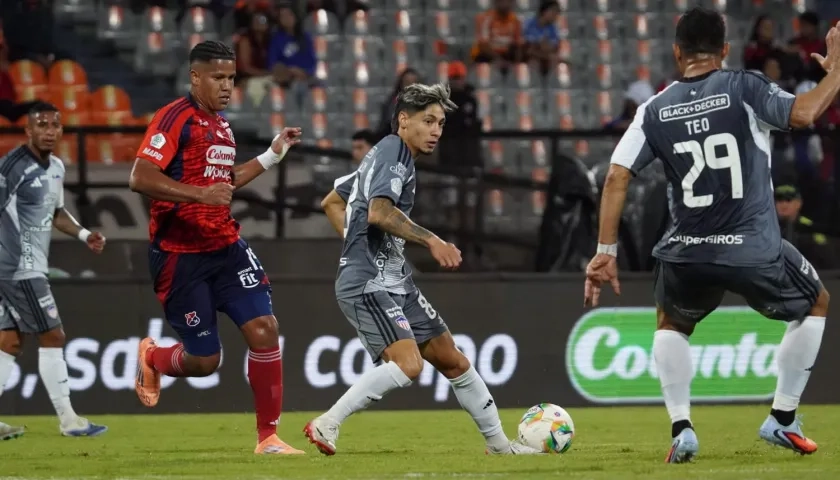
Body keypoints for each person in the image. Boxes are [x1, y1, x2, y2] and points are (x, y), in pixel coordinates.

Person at [583, 7, 840, 464]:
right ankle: (782, 418)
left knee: (671, 325)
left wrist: (606, 251)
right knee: (815, 300)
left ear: (677, 52)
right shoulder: (745, 86)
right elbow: (803, 114)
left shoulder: (653, 109)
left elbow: (616, 176)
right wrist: (837, 74)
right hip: (753, 246)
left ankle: (682, 429)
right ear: (724, 50)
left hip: (686, 251)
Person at [305, 83, 541, 456]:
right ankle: (327, 423)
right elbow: (380, 212)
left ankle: (499, 447)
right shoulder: (393, 152)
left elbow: (333, 201)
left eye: (441, 123)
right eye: (428, 121)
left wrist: (355, 243)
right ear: (403, 120)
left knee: (453, 359)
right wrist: (431, 241)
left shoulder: (384, 156)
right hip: (368, 282)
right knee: (409, 365)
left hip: (394, 280)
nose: (436, 131)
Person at [128, 41, 305, 455]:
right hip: (179, 255)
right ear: (195, 77)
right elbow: (139, 176)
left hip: (225, 246)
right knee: (206, 361)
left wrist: (271, 156)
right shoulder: (174, 118)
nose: (227, 86)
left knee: (265, 330)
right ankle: (154, 359)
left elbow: (223, 182)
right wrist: (197, 195)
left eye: (232, 78)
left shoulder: (221, 124)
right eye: (218, 78)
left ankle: (269, 438)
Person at [0, 103, 108, 440]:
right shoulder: (12, 168)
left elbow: (58, 212)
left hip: (25, 266)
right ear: (28, 131)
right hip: (19, 267)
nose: (49, 131)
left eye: (55, 125)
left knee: (9, 342)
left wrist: (83, 234)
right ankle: (69, 420)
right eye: (41, 125)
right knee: (53, 335)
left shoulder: (57, 168)